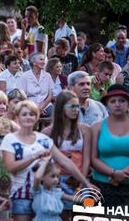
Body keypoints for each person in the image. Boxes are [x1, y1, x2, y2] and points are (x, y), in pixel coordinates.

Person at [0, 100, 93, 221]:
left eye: (32, 114)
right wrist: (34, 157)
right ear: (17, 117)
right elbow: (11, 167)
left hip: (45, 193)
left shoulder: (43, 139)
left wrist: (86, 182)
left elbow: (65, 161)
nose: (28, 117)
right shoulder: (10, 139)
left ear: (37, 117)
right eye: (24, 114)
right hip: (22, 193)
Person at [90, 85, 129, 207]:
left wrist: (124, 173)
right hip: (103, 186)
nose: (117, 104)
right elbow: (93, 158)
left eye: (122, 101)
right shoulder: (97, 127)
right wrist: (113, 173)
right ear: (107, 105)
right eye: (113, 101)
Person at [42, 90, 92, 219]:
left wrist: (83, 180)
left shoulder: (85, 130)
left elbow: (87, 159)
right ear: (61, 108)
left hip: (80, 178)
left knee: (82, 215)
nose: (76, 110)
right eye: (72, 106)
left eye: (78, 106)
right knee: (62, 215)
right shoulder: (48, 132)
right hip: (58, 181)